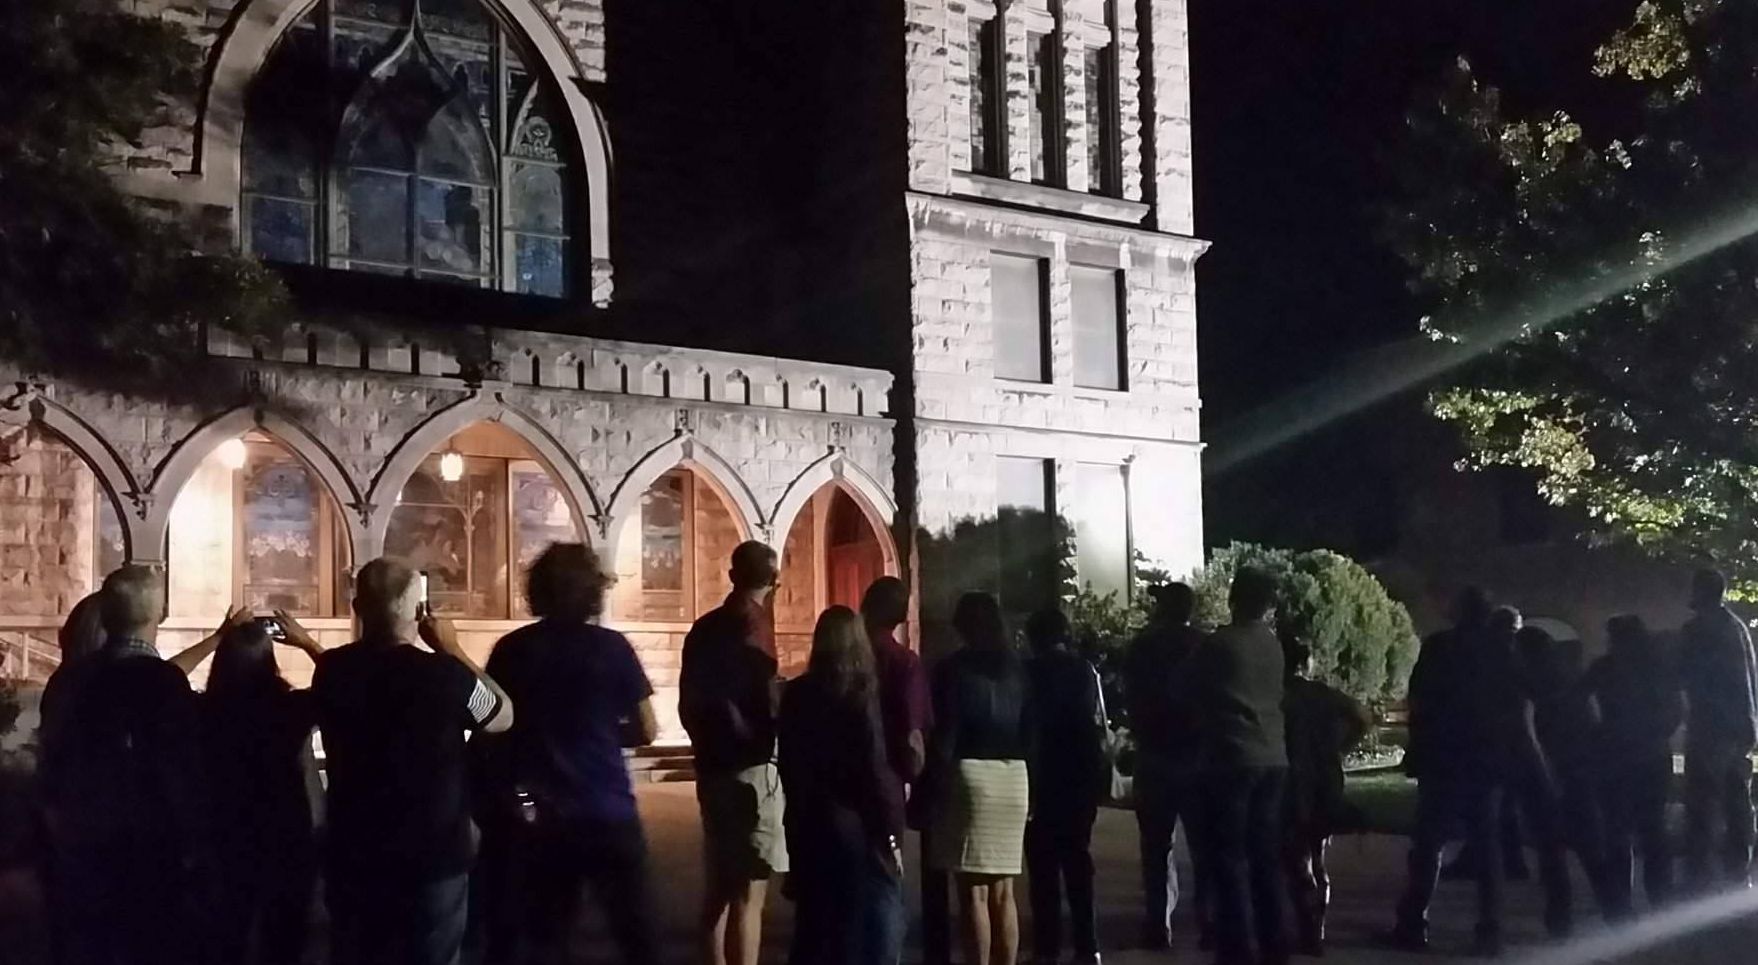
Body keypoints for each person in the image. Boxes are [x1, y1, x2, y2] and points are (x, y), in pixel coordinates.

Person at [313, 557, 514, 965]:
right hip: (432, 851)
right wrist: (452, 648)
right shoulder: (445, 674)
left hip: (355, 847)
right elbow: (501, 714)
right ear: (417, 610)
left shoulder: (333, 669)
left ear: (357, 608)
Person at [478, 543, 660, 965]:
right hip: (608, 809)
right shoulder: (613, 648)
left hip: (543, 816)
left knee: (547, 936)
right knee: (637, 934)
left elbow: (494, 726)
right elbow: (647, 729)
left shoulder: (513, 650)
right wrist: (606, 734)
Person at [37, 565, 216, 965]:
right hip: (148, 841)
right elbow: (180, 766)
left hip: (84, 838)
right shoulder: (163, 682)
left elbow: (52, 757)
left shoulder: (71, 679)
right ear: (158, 613)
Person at [1391, 588, 1528, 956]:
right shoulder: (1503, 651)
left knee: (1429, 843)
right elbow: (1514, 706)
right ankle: (1489, 930)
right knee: (1487, 845)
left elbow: (1419, 699)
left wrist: (1419, 744)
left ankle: (1413, 923)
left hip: (1444, 757)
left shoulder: (1440, 647)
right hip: (1486, 759)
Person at [680, 541, 790, 965]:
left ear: (731, 576)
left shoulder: (703, 630)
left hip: (712, 766)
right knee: (748, 892)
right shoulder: (755, 627)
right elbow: (764, 699)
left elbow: (689, 703)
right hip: (752, 767)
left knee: (719, 886)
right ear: (774, 580)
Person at [778, 606, 907, 965]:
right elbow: (873, 769)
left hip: (808, 821)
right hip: (852, 827)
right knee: (850, 928)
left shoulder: (797, 694)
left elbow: (789, 764)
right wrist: (890, 835)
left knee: (812, 928)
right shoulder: (860, 695)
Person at [203, 614, 326, 965]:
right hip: (286, 832)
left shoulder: (206, 711)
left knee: (227, 936)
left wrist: (216, 638)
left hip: (225, 831)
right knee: (284, 941)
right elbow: (343, 682)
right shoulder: (289, 709)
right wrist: (307, 643)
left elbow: (166, 678)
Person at [927, 592, 1034, 965]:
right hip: (1015, 776)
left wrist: (935, 783)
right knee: (1005, 891)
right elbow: (1032, 731)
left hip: (971, 775)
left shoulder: (952, 670)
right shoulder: (1018, 670)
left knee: (974, 893)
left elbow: (946, 732)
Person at [1189, 568, 1289, 965]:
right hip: (1272, 756)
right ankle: (1275, 943)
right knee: (1265, 856)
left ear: (1235, 597)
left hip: (1231, 756)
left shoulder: (1220, 644)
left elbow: (1183, 687)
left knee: (1228, 858)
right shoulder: (1273, 644)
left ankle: (1237, 948)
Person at [1123, 581, 1211, 951]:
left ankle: (1159, 922)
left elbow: (1131, 696)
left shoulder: (1143, 646)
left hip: (1155, 753)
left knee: (1157, 846)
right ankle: (1209, 921)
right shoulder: (1204, 647)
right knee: (1205, 845)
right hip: (1197, 756)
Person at [1514, 624, 1615, 937]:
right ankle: (1616, 911)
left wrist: (1544, 773)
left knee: (1551, 851)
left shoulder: (1528, 685)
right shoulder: (1571, 680)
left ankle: (1560, 918)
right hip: (1578, 771)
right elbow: (1594, 721)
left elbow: (1529, 732)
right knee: (1590, 847)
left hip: (1550, 775)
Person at [859, 577, 941, 963]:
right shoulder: (904, 663)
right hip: (885, 783)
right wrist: (914, 776)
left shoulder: (848, 658)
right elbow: (913, 733)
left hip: (838, 783)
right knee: (885, 880)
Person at [1582, 614, 1682, 915]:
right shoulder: (1658, 667)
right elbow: (1674, 711)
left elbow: (1578, 699)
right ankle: (1659, 898)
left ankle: (1621, 902)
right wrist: (1655, 734)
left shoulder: (1605, 667)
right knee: (1652, 830)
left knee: (1618, 830)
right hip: (1650, 754)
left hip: (1616, 755)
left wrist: (1597, 735)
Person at [1023, 607, 1107, 965]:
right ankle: (1088, 946)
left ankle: (1047, 948)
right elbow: (1096, 720)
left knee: (1042, 866)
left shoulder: (1028, 672)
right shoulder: (1084, 670)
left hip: (1043, 775)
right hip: (1080, 773)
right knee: (1078, 861)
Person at [1280, 633, 1370, 957]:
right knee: (1316, 855)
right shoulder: (1323, 695)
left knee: (1296, 856)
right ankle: (1315, 927)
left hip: (1293, 783)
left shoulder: (1280, 697)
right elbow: (1362, 716)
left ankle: (1307, 928)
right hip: (1326, 781)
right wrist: (1340, 747)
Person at [1677, 567, 1758, 891]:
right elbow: (1747, 681)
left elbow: (1685, 674)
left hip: (1710, 727)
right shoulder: (1735, 627)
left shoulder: (1699, 630)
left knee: (1702, 802)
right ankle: (1737, 870)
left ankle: (1701, 875)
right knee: (1736, 802)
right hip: (1736, 727)